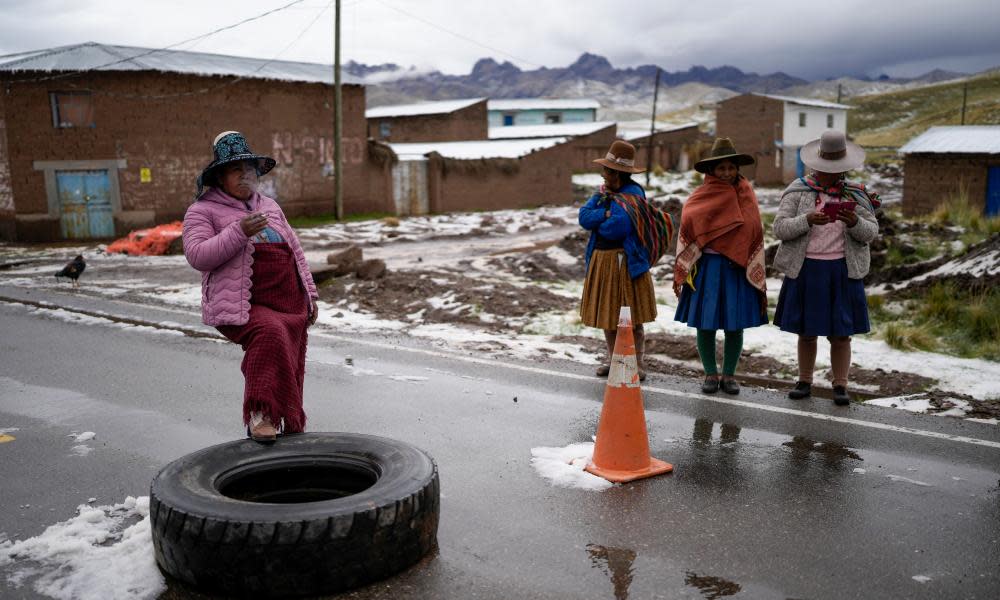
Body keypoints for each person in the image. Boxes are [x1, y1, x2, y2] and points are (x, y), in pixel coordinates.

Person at [183, 131, 319, 442]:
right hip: (242, 305)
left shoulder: (270, 206)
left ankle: (289, 418)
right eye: (235, 170)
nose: (245, 176)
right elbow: (198, 255)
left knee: (288, 350)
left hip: (287, 299)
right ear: (219, 177)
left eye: (249, 170)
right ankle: (261, 413)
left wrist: (310, 295)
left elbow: (295, 251)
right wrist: (239, 231)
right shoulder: (202, 212)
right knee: (269, 333)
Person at [772, 130, 880, 406]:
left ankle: (840, 385)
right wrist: (807, 219)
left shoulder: (856, 194)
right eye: (824, 169)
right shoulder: (798, 190)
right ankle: (804, 380)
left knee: (841, 334)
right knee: (806, 332)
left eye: (835, 170)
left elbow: (871, 233)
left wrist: (854, 221)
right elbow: (780, 228)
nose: (829, 175)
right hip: (806, 270)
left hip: (842, 271)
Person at [673, 138, 768, 395]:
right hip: (708, 267)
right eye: (721, 168)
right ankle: (710, 374)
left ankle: (729, 375)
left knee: (734, 324)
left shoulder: (746, 193)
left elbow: (753, 227)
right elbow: (690, 222)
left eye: (731, 167)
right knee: (706, 323)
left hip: (736, 268)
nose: (726, 172)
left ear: (737, 168)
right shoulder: (700, 196)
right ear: (711, 171)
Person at [579, 140, 673, 381]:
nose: (604, 174)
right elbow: (583, 217)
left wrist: (601, 218)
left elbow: (616, 229)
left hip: (626, 262)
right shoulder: (602, 193)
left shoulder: (633, 195)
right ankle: (614, 361)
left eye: (608, 170)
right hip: (603, 261)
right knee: (609, 317)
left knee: (630, 318)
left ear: (618, 173)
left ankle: (636, 365)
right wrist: (605, 213)